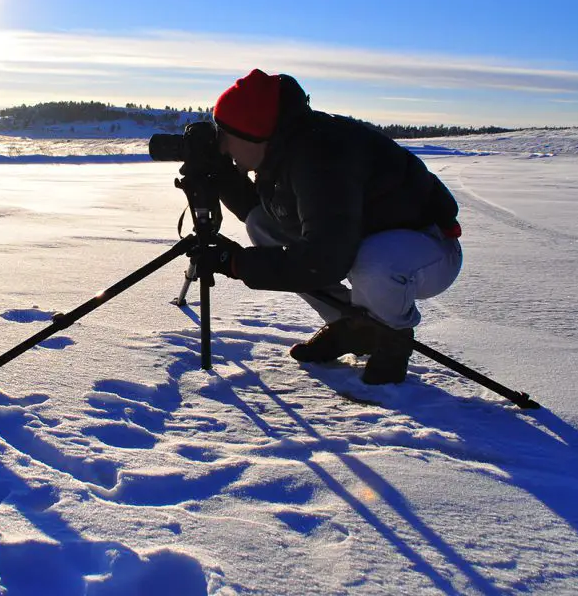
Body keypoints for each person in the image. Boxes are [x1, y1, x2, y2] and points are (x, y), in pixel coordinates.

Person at [195, 69, 463, 385]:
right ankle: (351, 328)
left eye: (226, 136)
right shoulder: (285, 144)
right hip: (362, 239)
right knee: (260, 224)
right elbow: (271, 212)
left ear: (255, 133)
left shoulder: (322, 155)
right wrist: (222, 178)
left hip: (427, 250)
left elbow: (325, 259)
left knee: (372, 262)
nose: (223, 147)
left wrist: (237, 264)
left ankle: (392, 338)